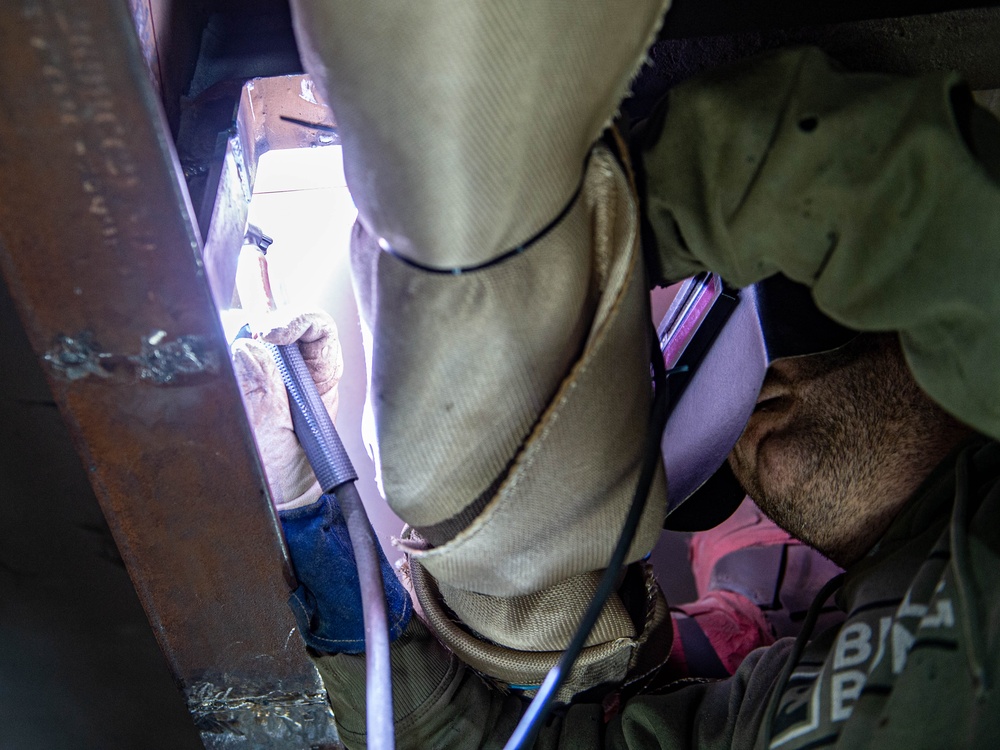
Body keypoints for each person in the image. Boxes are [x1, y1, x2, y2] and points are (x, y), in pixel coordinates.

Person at [235, 2, 1000, 746]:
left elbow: (933, 211)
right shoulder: (785, 694)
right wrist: (310, 483)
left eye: (808, 329)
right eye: (722, 414)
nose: (751, 417)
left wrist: (580, 248)